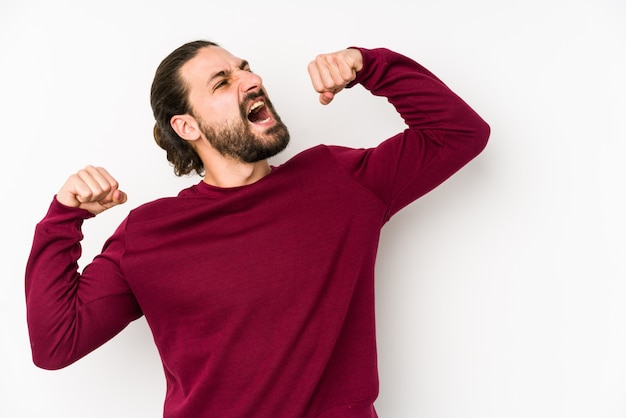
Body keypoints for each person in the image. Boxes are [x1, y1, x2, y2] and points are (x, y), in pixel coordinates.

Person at [25, 40, 490, 417]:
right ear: (187, 126)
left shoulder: (339, 181)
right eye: (223, 82)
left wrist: (368, 65)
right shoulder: (148, 234)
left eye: (245, 68)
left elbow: (460, 134)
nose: (252, 80)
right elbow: (55, 343)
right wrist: (64, 216)